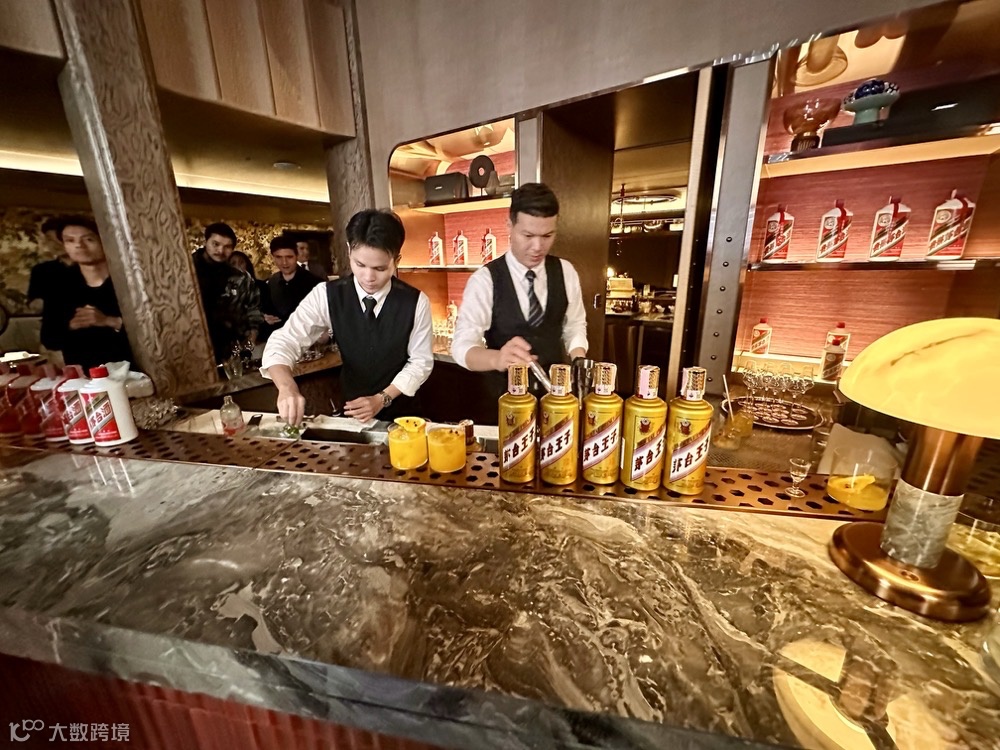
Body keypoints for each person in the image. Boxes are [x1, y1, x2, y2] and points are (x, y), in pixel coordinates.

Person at [262, 210, 433, 425]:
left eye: (380, 268)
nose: (368, 277)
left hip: (404, 416)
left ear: (396, 260)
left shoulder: (415, 302)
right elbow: (285, 340)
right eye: (360, 265)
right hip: (354, 414)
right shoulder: (326, 295)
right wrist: (287, 387)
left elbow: (420, 362)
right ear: (349, 250)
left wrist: (382, 398)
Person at [451, 182, 588, 396]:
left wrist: (579, 360)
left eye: (547, 236)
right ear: (509, 226)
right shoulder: (485, 280)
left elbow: (574, 325)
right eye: (528, 236)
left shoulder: (566, 271)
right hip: (505, 397)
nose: (537, 247)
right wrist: (497, 358)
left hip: (555, 395)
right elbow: (461, 346)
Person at [47, 217, 133, 371]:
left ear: (104, 241)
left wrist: (110, 321)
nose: (79, 245)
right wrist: (71, 326)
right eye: (70, 240)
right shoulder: (60, 285)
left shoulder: (129, 280)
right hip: (85, 376)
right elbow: (49, 339)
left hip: (133, 372)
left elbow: (157, 331)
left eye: (88, 239)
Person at [192, 222, 263, 364]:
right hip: (192, 346)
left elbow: (254, 309)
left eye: (227, 247)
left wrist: (250, 341)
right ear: (206, 242)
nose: (220, 250)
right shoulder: (185, 272)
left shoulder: (240, 278)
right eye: (216, 244)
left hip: (231, 349)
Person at [27, 217, 71, 351]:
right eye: (48, 240)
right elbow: (34, 304)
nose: (52, 244)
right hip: (54, 340)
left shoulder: (90, 268)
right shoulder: (42, 270)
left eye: (56, 239)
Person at [263, 236, 322, 330]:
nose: (284, 262)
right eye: (279, 257)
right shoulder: (272, 282)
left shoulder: (315, 283)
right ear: (273, 257)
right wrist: (264, 317)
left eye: (289, 257)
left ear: (296, 256)